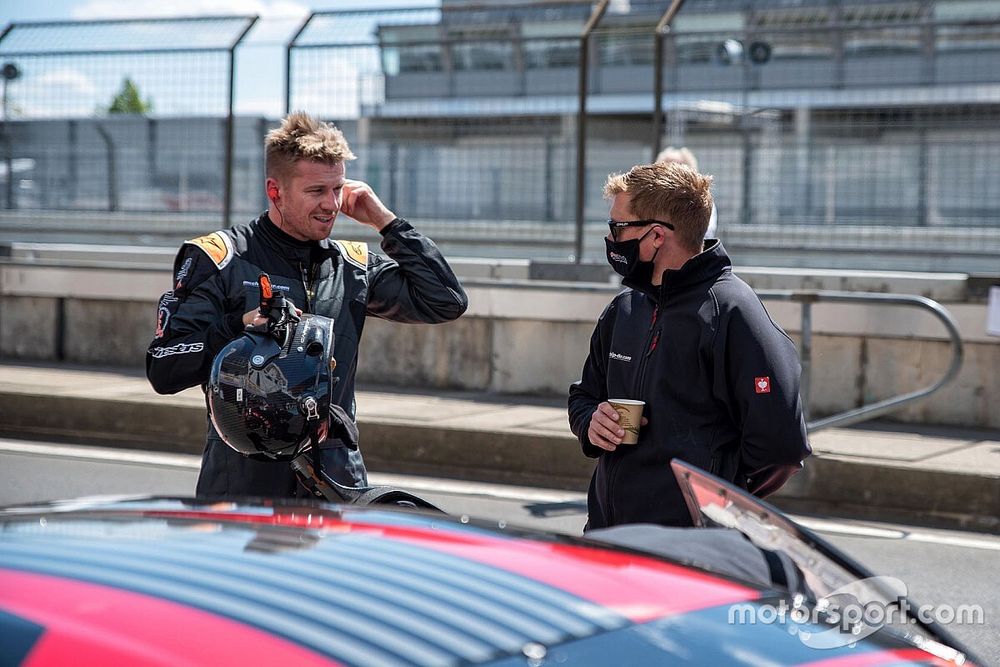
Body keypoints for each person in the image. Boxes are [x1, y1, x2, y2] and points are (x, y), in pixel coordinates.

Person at [147, 111, 468, 498]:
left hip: (336, 475)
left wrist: (385, 222)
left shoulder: (351, 265)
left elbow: (446, 300)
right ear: (274, 191)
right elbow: (164, 367)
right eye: (316, 191)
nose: (331, 204)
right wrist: (238, 327)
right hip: (244, 481)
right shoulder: (220, 257)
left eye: (337, 189)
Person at [567, 160, 810, 530]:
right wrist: (591, 422)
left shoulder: (732, 311)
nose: (611, 240)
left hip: (688, 547)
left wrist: (717, 503)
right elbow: (583, 396)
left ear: (656, 236)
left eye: (617, 227)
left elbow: (782, 448)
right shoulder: (625, 308)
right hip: (609, 534)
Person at [655, 146, 718, 239]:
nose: (672, 174)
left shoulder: (702, 200)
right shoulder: (650, 198)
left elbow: (704, 234)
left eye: (678, 168)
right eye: (667, 168)